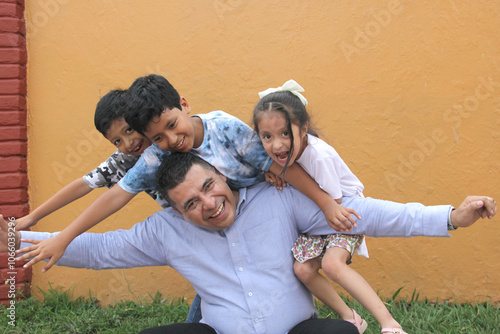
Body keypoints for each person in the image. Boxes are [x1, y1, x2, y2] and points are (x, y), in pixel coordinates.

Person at [3, 153, 496, 333]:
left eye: (209, 188)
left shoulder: (279, 198)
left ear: (222, 175)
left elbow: (367, 213)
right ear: (174, 210)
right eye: (190, 204)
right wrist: (13, 239)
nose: (208, 204)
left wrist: (449, 217)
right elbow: (99, 249)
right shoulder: (165, 232)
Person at [19, 74, 358, 272]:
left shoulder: (223, 127)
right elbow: (113, 197)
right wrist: (62, 237)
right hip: (213, 224)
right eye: (157, 138)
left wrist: (327, 204)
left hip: (264, 210)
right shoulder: (151, 156)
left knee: (287, 274)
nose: (171, 140)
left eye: (172, 125)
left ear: (184, 104)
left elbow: (281, 165)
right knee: (219, 282)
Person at [253, 80, 402, 333]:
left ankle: (389, 323)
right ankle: (351, 317)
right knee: (302, 269)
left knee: (333, 265)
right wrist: (274, 174)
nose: (277, 145)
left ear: (303, 128)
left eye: (285, 133)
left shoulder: (318, 156)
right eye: (267, 136)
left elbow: (333, 205)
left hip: (342, 214)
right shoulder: (276, 158)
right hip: (317, 219)